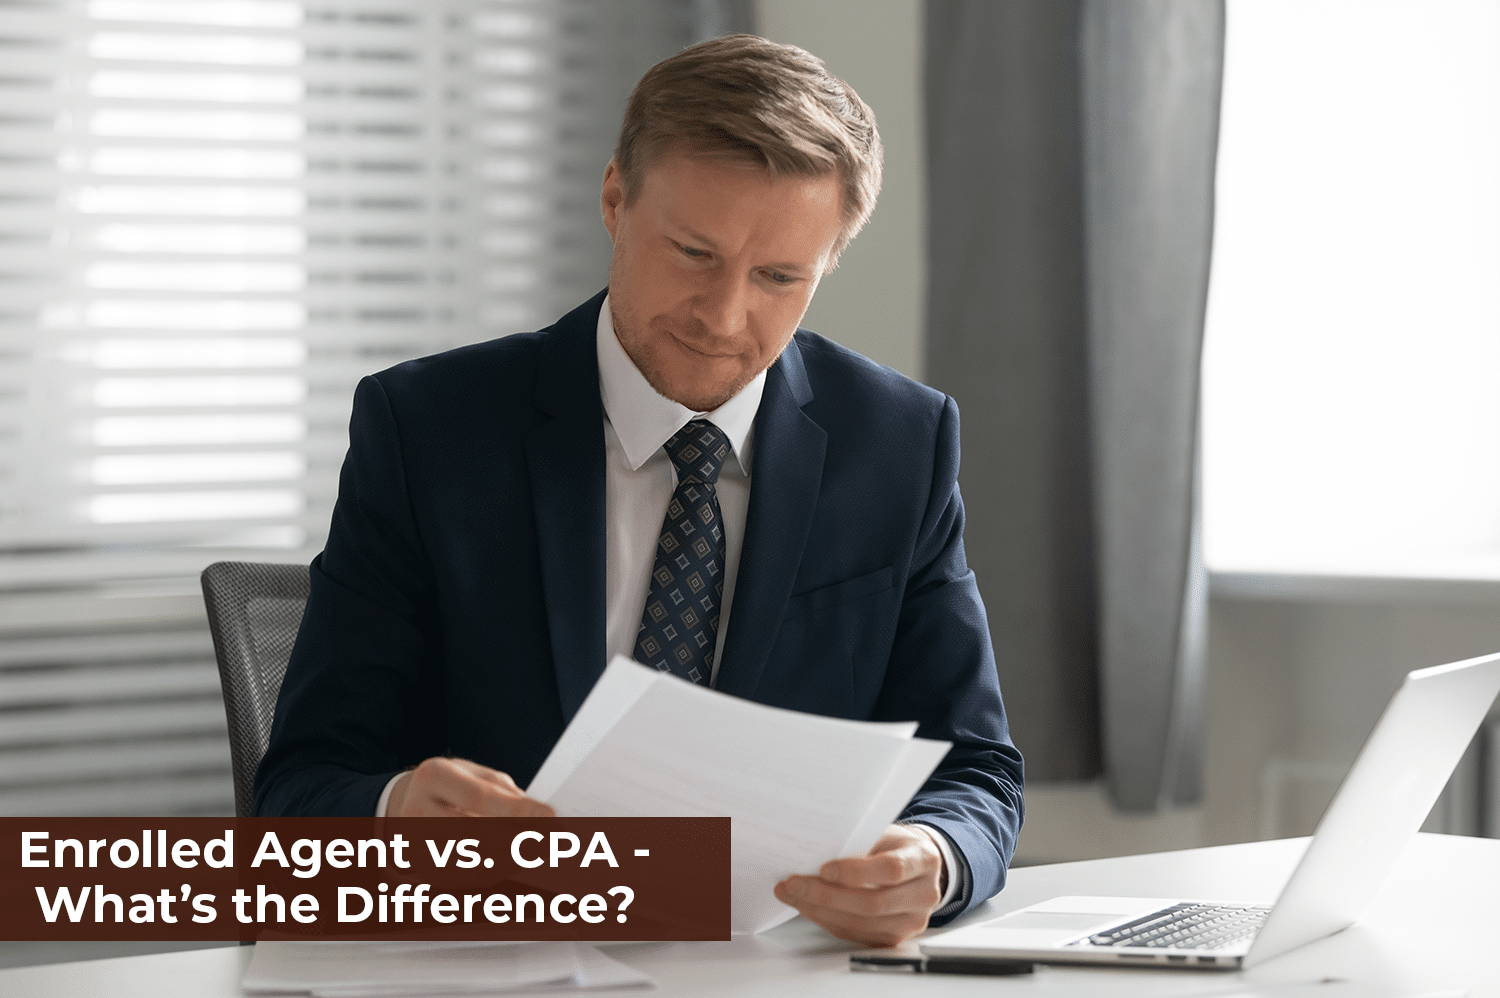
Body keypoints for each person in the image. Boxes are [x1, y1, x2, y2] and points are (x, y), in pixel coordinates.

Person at [255, 33, 1023, 948]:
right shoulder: (428, 431)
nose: (725, 316)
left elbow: (977, 768)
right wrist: (393, 812)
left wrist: (934, 859)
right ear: (616, 199)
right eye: (695, 253)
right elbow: (299, 791)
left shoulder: (899, 443)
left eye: (780, 277)